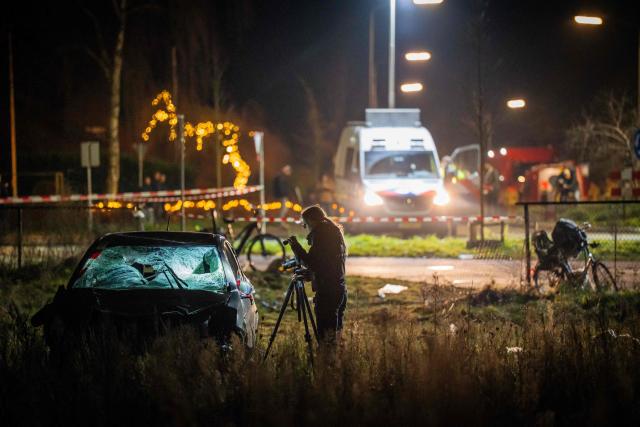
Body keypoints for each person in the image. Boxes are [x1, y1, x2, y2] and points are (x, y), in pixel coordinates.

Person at [288, 205, 347, 344]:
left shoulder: (322, 235)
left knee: (326, 337)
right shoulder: (332, 232)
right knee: (335, 335)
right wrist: (311, 274)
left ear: (311, 221)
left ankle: (326, 362)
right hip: (338, 289)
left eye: (304, 224)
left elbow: (312, 262)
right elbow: (325, 263)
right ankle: (335, 362)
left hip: (328, 292)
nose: (305, 227)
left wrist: (296, 247)